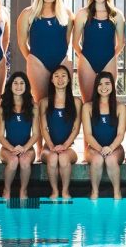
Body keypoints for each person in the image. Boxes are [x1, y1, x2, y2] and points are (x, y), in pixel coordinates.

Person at [17, 0, 75, 104]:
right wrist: (32, 60)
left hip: (62, 62)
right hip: (38, 63)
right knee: (42, 102)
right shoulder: (28, 14)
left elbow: (67, 40)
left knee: (64, 102)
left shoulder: (67, 14)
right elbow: (22, 43)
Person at [73, 0, 125, 100]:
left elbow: (121, 42)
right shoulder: (83, 14)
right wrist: (85, 57)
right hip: (87, 62)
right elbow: (75, 42)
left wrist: (111, 56)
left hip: (109, 62)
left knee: (108, 101)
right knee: (88, 102)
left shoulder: (117, 15)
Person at [38, 65, 82, 200]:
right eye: (56, 76)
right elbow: (43, 128)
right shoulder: (44, 102)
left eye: (63, 76)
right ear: (51, 80)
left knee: (63, 158)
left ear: (69, 80)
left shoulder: (76, 102)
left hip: (70, 146)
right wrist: (51, 146)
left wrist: (65, 146)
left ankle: (65, 191)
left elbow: (76, 128)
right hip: (49, 146)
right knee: (52, 158)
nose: (60, 79)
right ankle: (55, 191)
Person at [82, 71, 126, 199]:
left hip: (115, 148)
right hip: (94, 148)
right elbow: (88, 135)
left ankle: (117, 193)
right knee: (97, 159)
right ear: (96, 87)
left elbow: (120, 134)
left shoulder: (120, 107)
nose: (104, 87)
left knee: (111, 159)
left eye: (107, 83)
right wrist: (101, 149)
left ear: (112, 86)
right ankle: (94, 192)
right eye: (100, 84)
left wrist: (110, 148)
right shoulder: (88, 107)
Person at [0, 71, 40, 199]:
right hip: (7, 148)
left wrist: (25, 148)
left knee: (25, 160)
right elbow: (0, 136)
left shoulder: (33, 107)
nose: (18, 86)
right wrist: (12, 149)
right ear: (10, 86)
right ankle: (7, 190)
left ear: (26, 86)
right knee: (13, 160)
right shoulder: (3, 107)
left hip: (27, 147)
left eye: (22, 83)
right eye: (15, 83)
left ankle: (23, 191)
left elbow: (36, 134)